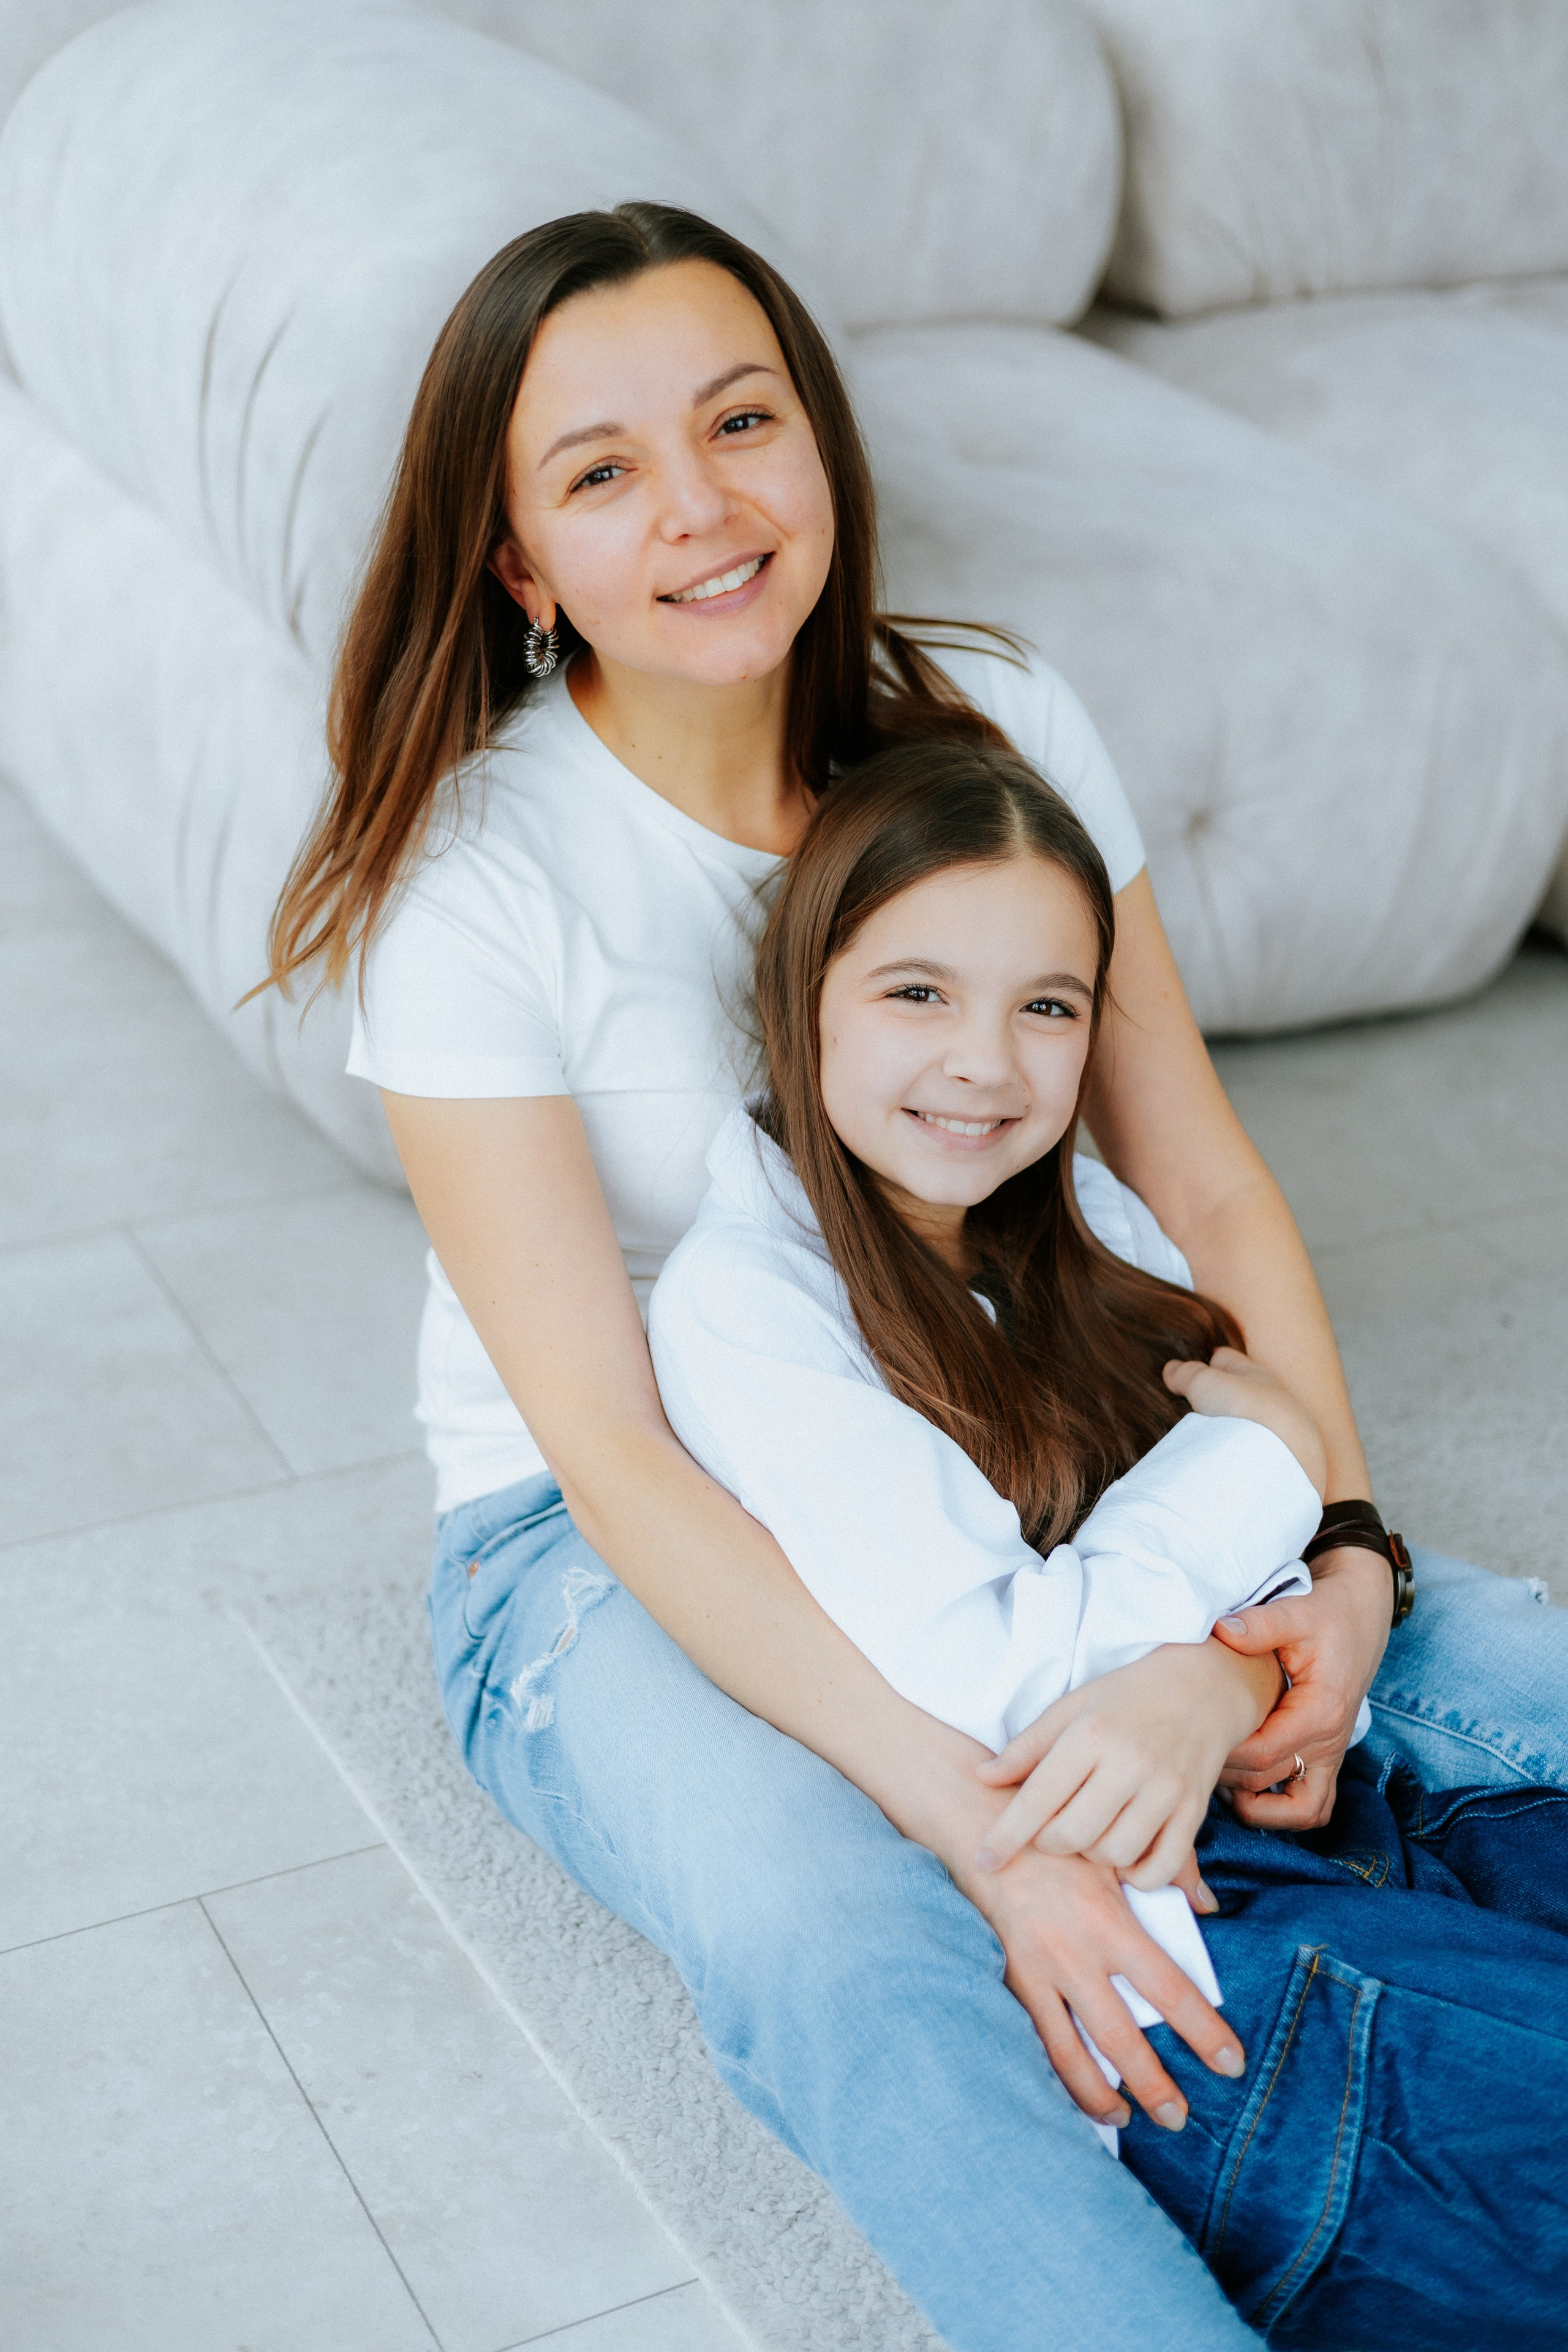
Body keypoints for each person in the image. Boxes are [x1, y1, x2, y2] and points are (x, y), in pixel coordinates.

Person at [262, 199, 1568, 2351]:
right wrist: (986, 1821)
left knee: (1486, 1695)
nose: (701, 507)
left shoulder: (1000, 723)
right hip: (619, 1527)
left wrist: (1333, 1560)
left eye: (742, 420)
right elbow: (603, 1439)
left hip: (1036, 1406)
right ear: (519, 564)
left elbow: (1208, 1190)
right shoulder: (476, 894)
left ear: (823, 440)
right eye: (599, 474)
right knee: (852, 1950)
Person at [645, 736, 1568, 2342]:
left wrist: (1215, 1677)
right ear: (807, 999)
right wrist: (1261, 1445)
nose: (985, 1065)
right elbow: (1012, 1684)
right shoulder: (746, 1303)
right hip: (1203, 1973)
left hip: (1331, 1805)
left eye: (1046, 1006)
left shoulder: (1077, 1219)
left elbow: (1264, 1599)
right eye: (916, 994)